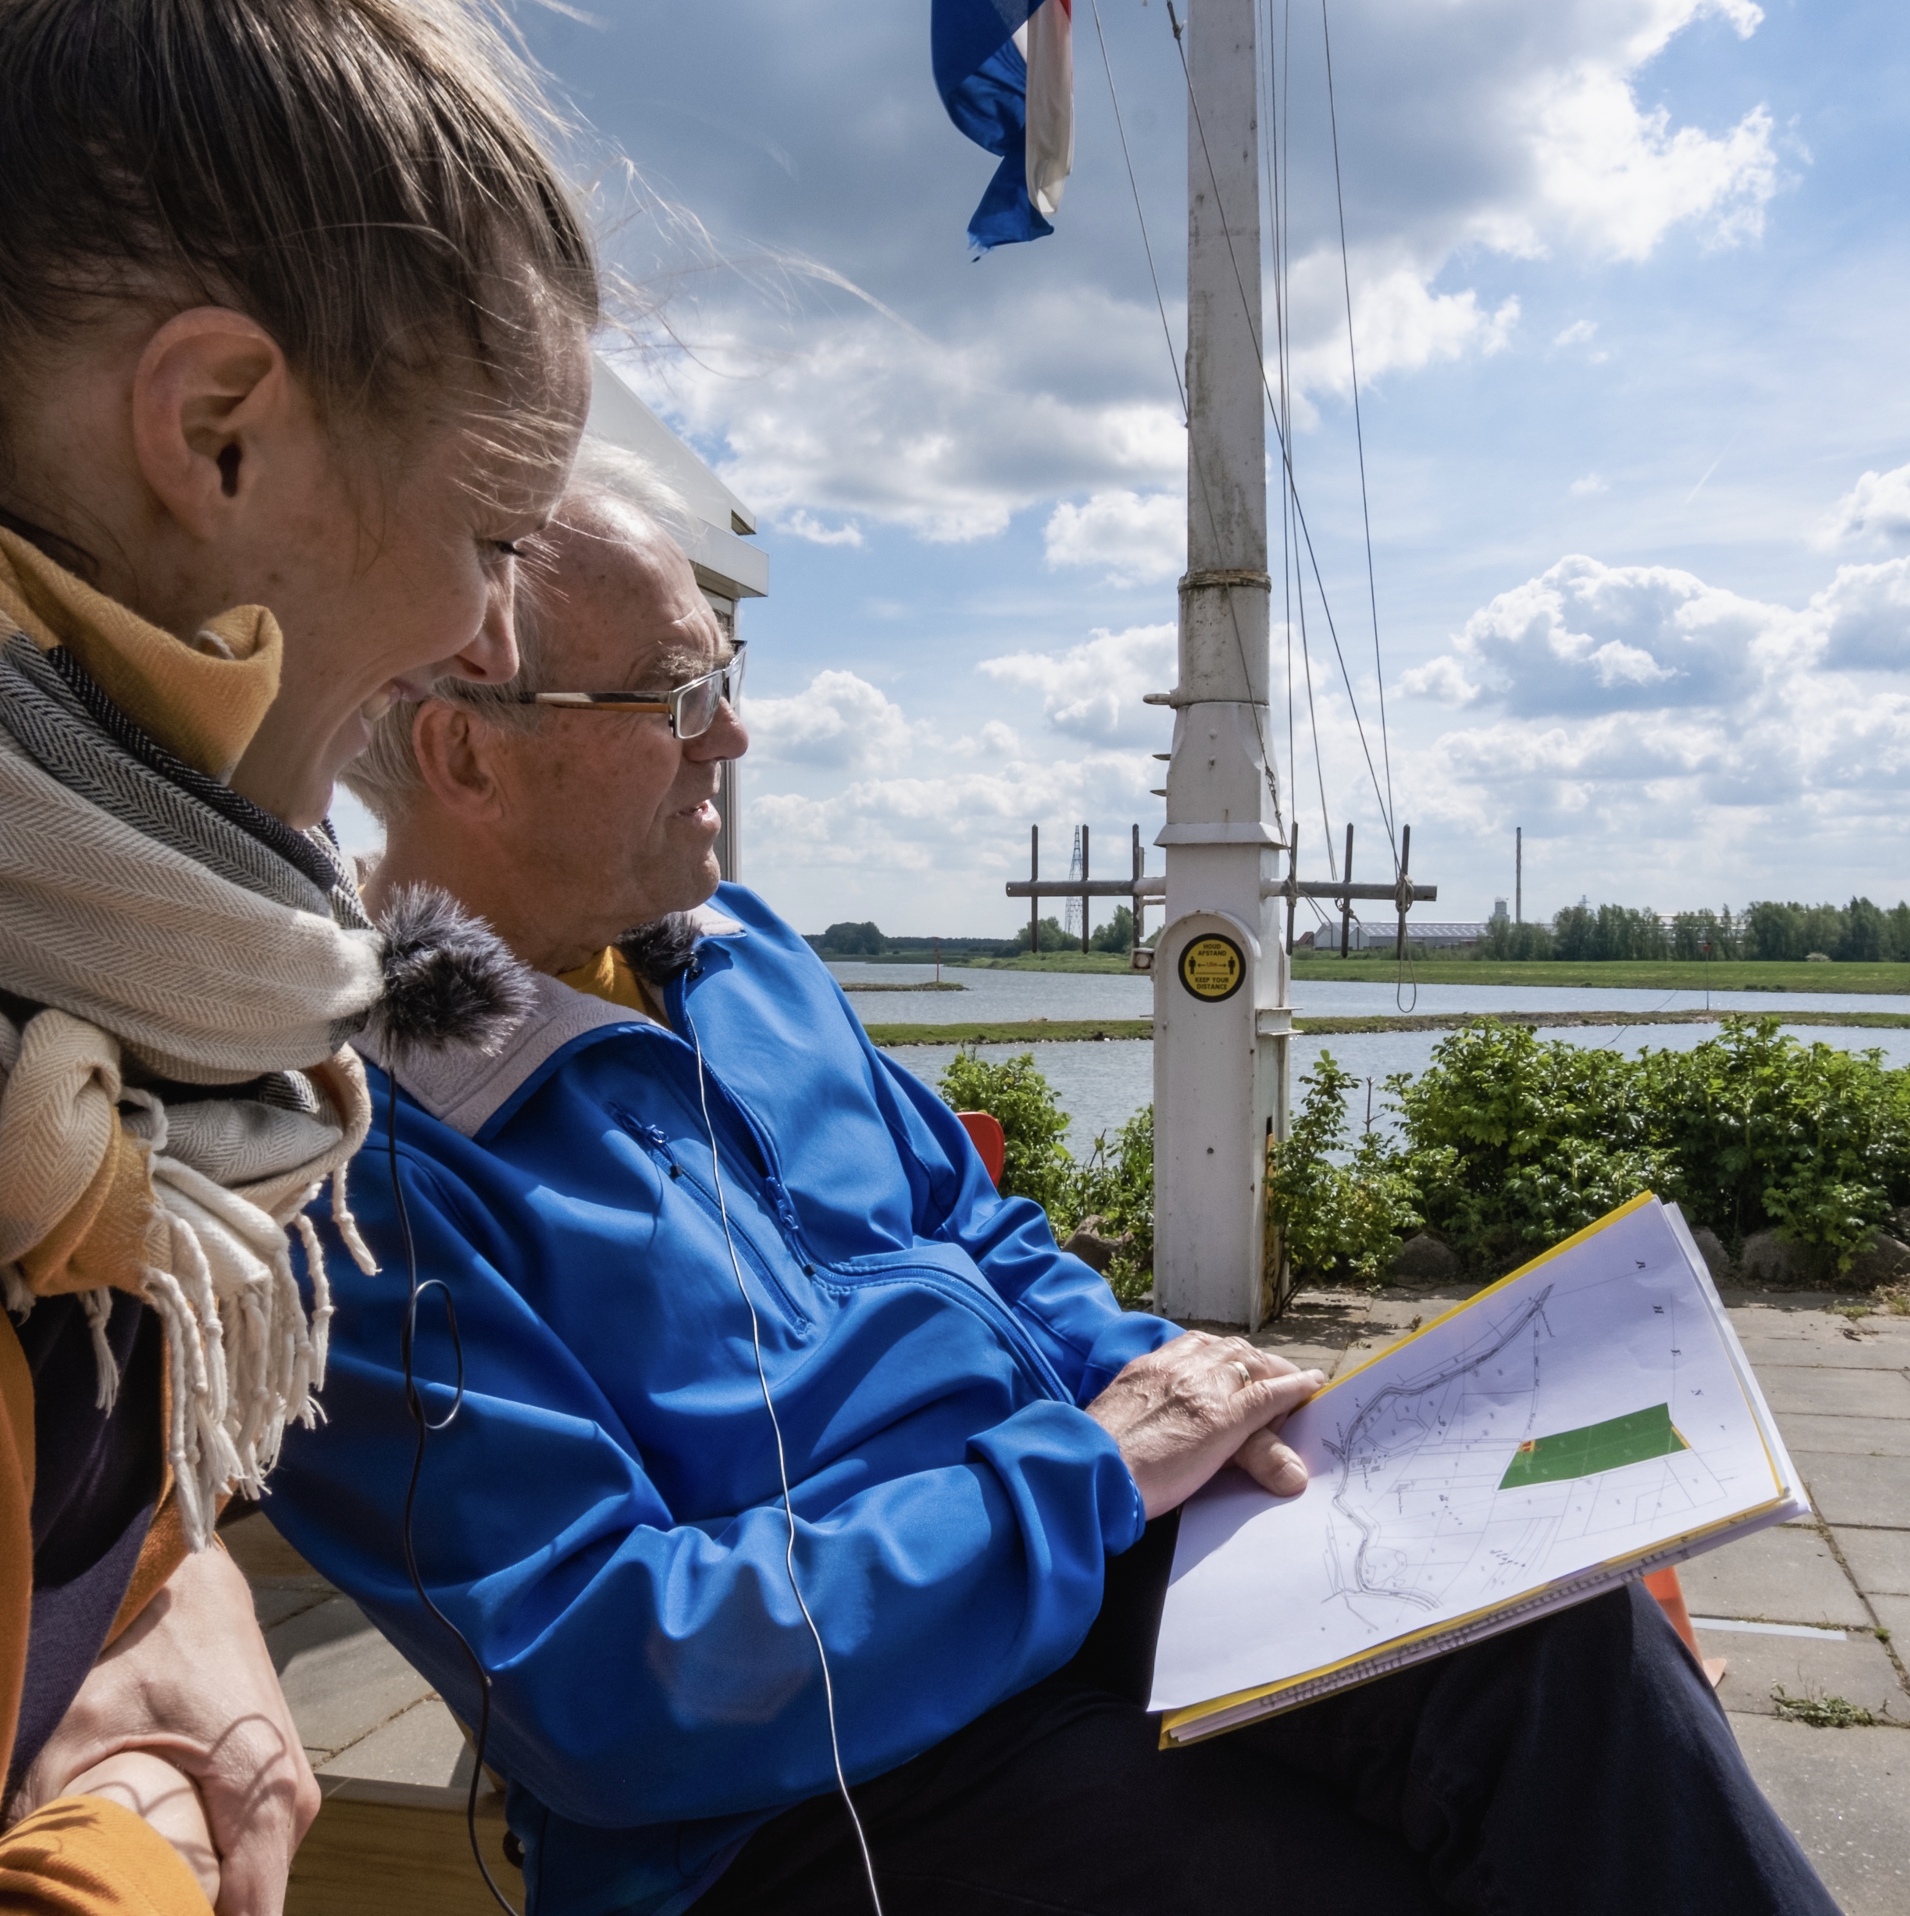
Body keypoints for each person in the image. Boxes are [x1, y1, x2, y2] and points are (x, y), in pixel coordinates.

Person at [270, 471, 1837, 1916]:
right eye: (676, 698)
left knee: (1560, 1635)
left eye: (723, 682)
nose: (729, 739)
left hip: (1080, 1581)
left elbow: (977, 1237)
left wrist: (1198, 1397)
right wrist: (1085, 1477)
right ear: (466, 743)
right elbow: (605, 1680)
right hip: (807, 1792)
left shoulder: (743, 961)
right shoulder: (361, 1163)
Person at [0, 3, 597, 1909]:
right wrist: (121, 1853)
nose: (491, 642)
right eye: (495, 530)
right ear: (217, 433)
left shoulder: (106, 1037)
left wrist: (145, 1601)